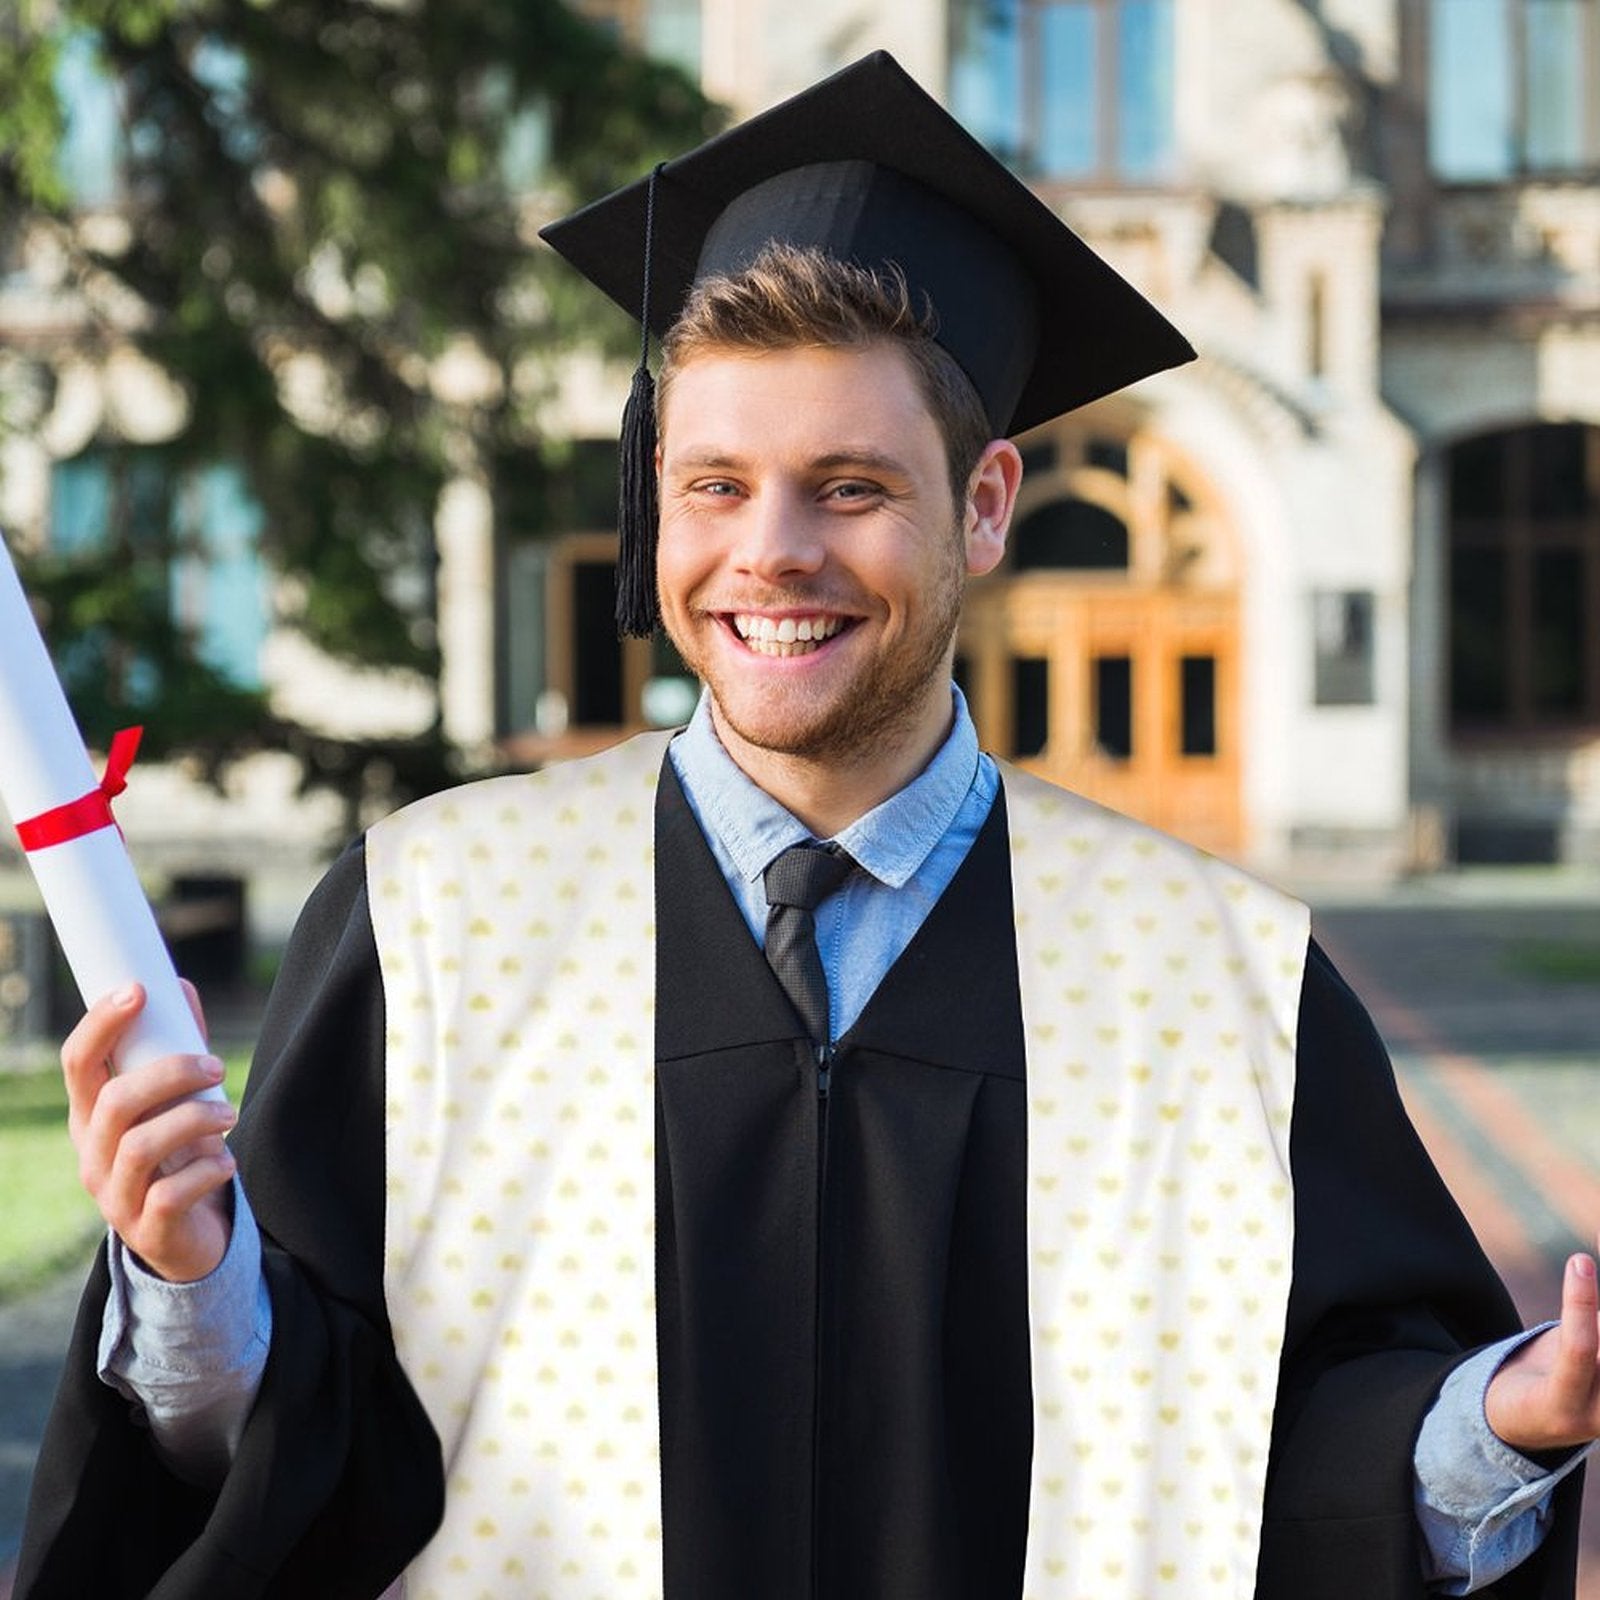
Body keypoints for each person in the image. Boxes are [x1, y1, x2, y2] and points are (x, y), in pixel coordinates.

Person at [15, 51, 1597, 1600]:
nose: (767, 554)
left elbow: (1309, 1435)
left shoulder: (1216, 975)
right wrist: (187, 1284)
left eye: (848, 489)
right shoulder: (436, 923)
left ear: (985, 506)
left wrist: (1495, 1427)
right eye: (713, 486)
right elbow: (306, 1454)